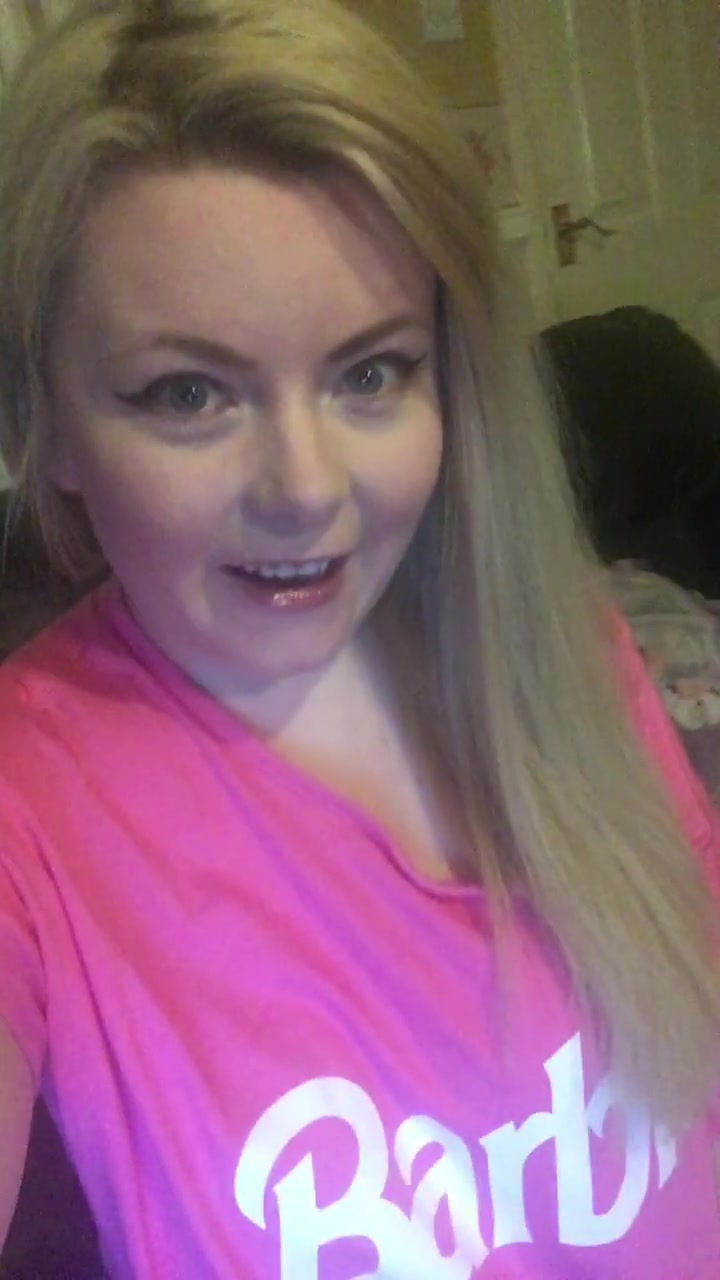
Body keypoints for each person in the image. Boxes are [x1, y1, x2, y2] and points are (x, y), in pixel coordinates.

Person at [0, 2, 718, 1276]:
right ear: (45, 424)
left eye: (370, 373)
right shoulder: (31, 805)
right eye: (189, 392)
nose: (307, 486)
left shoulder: (564, 647)